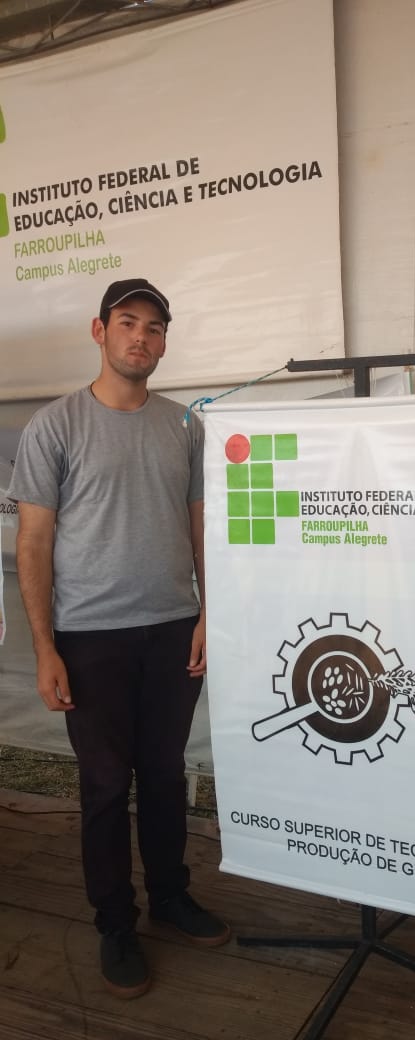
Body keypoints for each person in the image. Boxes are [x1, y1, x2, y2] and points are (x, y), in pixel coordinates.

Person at [9, 278, 229, 999]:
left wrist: (208, 613)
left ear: (165, 342)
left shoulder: (184, 426)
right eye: (128, 322)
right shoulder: (55, 426)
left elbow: (201, 528)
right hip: (89, 637)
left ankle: (170, 895)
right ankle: (115, 923)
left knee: (164, 775)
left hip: (172, 630)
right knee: (105, 785)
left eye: (155, 327)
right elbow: (33, 542)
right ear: (99, 330)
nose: (142, 336)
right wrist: (45, 648)